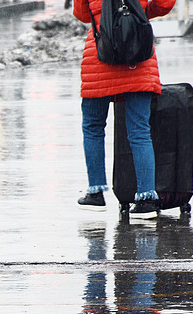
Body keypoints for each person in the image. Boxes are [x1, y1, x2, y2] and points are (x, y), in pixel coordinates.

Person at [73, 0, 174, 219]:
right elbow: (165, 5)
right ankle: (146, 199)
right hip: (137, 56)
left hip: (101, 58)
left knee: (93, 127)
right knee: (139, 131)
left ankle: (96, 193)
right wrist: (142, 10)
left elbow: (81, 14)